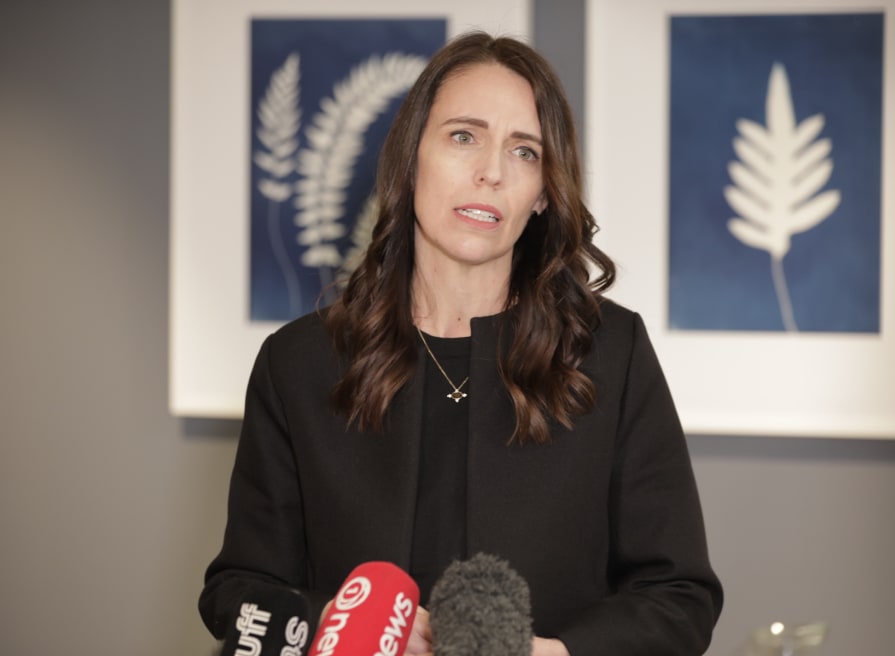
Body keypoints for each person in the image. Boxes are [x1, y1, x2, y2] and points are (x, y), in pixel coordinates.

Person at [199, 31, 723, 656]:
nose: (492, 172)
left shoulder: (613, 353)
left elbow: (680, 598)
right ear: (411, 158)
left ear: (543, 195)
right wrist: (342, 626)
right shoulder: (299, 363)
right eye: (463, 136)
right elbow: (236, 593)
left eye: (525, 151)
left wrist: (550, 655)